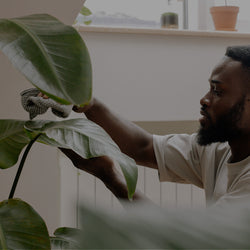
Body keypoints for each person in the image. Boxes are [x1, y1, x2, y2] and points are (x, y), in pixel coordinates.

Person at [60, 45, 250, 207]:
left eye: (217, 91)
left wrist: (109, 176)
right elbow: (143, 147)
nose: (204, 100)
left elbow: (180, 243)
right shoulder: (218, 149)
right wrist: (88, 102)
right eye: (209, 88)